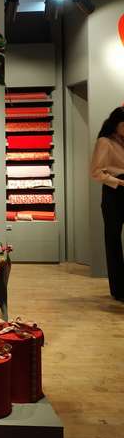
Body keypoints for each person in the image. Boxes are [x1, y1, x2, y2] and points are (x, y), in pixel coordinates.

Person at [90, 106, 124, 300]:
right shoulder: (105, 142)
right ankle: (118, 289)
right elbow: (96, 172)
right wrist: (118, 182)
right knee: (113, 240)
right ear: (116, 124)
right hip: (114, 192)